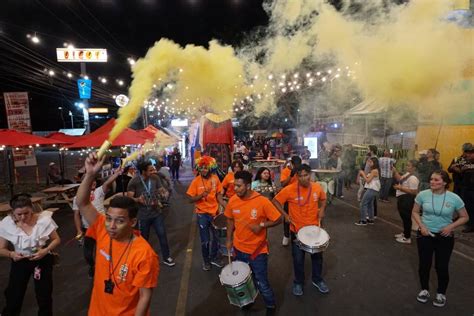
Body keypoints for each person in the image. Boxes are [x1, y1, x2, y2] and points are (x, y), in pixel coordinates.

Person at [76, 152, 159, 316]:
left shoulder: (144, 254)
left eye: (120, 221)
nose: (111, 226)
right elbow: (82, 203)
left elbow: (145, 296)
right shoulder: (102, 229)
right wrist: (90, 175)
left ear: (132, 222)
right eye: (109, 218)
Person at [224, 171, 282, 312]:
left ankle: (270, 305)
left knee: (262, 282)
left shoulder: (262, 201)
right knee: (245, 279)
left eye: (239, 186)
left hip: (258, 251)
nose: (235, 189)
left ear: (248, 186)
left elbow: (278, 219)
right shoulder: (233, 200)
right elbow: (230, 219)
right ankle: (248, 301)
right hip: (238, 249)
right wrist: (229, 239)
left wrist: (261, 225)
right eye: (234, 186)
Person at [412, 170, 469, 307]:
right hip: (425, 234)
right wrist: (421, 226)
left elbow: (465, 217)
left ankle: (441, 293)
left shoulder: (454, 198)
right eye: (431, 179)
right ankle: (424, 290)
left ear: (444, 182)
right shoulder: (422, 195)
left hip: (445, 236)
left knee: (441, 267)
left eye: (437, 180)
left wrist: (450, 227)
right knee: (424, 265)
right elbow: (414, 211)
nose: (432, 182)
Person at [0, 194, 61, 316]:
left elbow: (56, 239)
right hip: (20, 260)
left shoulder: (43, 220)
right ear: (13, 213)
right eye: (19, 214)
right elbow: (1, 249)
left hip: (42, 258)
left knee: (44, 293)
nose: (23, 217)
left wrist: (45, 250)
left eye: (26, 213)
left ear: (31, 208)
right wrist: (12, 254)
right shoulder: (7, 223)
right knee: (14, 293)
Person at [273, 164, 328, 296]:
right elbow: (275, 201)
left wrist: (322, 210)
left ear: (310, 175)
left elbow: (323, 199)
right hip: (297, 231)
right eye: (301, 176)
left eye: (306, 175)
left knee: (317, 258)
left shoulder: (316, 187)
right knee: (298, 259)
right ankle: (298, 282)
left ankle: (317, 279)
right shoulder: (290, 189)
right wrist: (285, 215)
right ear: (297, 177)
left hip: (315, 229)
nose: (304, 178)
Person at [73, 170, 122, 278]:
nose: (94, 181)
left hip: (103, 227)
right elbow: (76, 215)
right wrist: (78, 230)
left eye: (94, 179)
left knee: (107, 250)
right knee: (88, 255)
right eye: (90, 180)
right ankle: (93, 266)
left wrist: (116, 174)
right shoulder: (78, 198)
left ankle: (108, 269)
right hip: (88, 229)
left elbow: (107, 183)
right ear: (84, 183)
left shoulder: (99, 191)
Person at [127, 160, 175, 267]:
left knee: (162, 235)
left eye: (153, 169)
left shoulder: (155, 178)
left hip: (156, 212)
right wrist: (138, 199)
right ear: (143, 171)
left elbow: (161, 189)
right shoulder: (134, 181)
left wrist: (165, 193)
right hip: (143, 215)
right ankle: (143, 259)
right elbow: (129, 198)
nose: (153, 171)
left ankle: (166, 257)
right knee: (144, 239)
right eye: (150, 170)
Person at [186, 156, 226, 271]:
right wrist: (201, 195)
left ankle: (213, 258)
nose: (203, 170)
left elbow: (219, 195)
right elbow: (189, 199)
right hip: (202, 214)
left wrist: (225, 206)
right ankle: (206, 261)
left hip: (214, 213)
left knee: (216, 238)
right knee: (205, 240)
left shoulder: (215, 179)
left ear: (210, 168)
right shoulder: (196, 181)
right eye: (201, 168)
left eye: (205, 168)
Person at [392, 160, 419, 244]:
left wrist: (400, 188)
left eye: (409, 165)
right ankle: (405, 233)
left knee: (407, 218)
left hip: (407, 199)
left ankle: (407, 237)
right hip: (402, 198)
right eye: (407, 165)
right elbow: (400, 179)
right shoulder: (408, 174)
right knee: (404, 218)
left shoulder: (413, 178)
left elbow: (414, 191)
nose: (407, 167)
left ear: (414, 168)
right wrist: (395, 171)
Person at [279, 156, 302, 246]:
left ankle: (297, 233)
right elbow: (283, 184)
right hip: (288, 197)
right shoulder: (285, 171)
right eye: (295, 165)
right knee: (287, 216)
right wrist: (291, 175)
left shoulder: (300, 170)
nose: (296, 167)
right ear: (291, 164)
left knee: (298, 216)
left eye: (298, 166)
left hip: (299, 197)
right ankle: (286, 235)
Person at [355, 157, 380, 226]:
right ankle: (371, 219)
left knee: (363, 203)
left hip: (372, 189)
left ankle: (363, 220)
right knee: (370, 204)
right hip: (373, 189)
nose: (369, 163)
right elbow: (369, 179)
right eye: (368, 162)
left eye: (370, 162)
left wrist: (362, 174)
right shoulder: (374, 170)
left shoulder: (374, 171)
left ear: (374, 163)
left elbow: (368, 181)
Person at [459, 144, 474, 233]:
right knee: (468, 207)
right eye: (467, 153)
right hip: (467, 188)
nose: (468, 155)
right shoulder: (465, 162)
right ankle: (470, 225)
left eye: (470, 153)